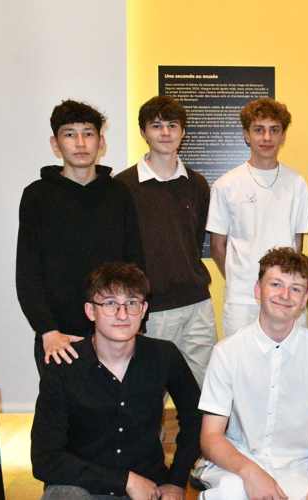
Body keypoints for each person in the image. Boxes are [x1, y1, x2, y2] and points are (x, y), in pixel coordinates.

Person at [31, 262, 202, 500]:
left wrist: (176, 482)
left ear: (143, 310)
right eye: (110, 304)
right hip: (79, 486)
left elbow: (195, 417)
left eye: (131, 303)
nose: (122, 315)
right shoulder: (64, 367)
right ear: (91, 311)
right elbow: (45, 459)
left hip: (147, 487)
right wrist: (124, 481)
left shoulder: (164, 355)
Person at [195, 247, 308, 500]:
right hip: (238, 464)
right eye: (276, 284)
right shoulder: (227, 352)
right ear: (258, 290)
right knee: (231, 493)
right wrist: (250, 472)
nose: (285, 295)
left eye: (295, 288)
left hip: (298, 468)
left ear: (305, 298)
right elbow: (211, 436)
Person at [16, 100, 144, 374]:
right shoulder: (37, 196)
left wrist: (135, 323)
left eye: (88, 133)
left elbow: (135, 263)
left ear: (101, 142)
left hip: (115, 330)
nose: (80, 142)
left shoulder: (119, 193)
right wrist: (47, 330)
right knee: (62, 402)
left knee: (118, 401)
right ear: (55, 143)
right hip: (60, 336)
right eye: (69, 134)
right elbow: (27, 273)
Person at [115, 95, 216, 387]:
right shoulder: (123, 186)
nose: (165, 133)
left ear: (183, 132)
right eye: (156, 126)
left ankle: (199, 423)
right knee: (150, 387)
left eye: (172, 125)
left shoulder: (197, 184)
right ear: (143, 132)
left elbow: (195, 240)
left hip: (197, 302)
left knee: (204, 386)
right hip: (152, 306)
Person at [206, 98, 308, 337]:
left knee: (290, 357)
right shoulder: (226, 184)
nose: (266, 138)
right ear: (246, 135)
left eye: (274, 130)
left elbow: (297, 245)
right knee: (239, 358)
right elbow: (217, 247)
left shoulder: (297, 183)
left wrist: (287, 284)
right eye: (259, 130)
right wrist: (240, 280)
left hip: (286, 296)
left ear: (283, 137)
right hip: (241, 299)